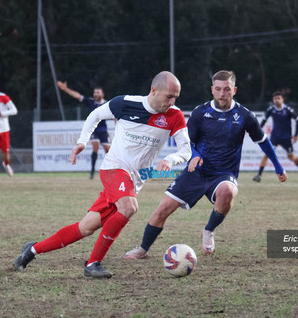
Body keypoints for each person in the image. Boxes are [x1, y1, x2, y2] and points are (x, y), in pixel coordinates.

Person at [13, 71, 191, 278]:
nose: (172, 101)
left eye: (176, 97)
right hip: (114, 169)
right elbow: (95, 115)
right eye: (169, 96)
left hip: (134, 180)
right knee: (129, 207)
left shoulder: (174, 115)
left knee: (86, 227)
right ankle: (93, 264)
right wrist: (82, 141)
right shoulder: (125, 103)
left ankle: (32, 250)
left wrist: (170, 160)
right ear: (154, 90)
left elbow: (185, 150)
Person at [124, 70, 287, 260]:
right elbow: (188, 144)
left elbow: (263, 141)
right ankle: (143, 249)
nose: (222, 94)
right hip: (196, 172)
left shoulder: (244, 115)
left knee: (228, 192)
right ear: (212, 89)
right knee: (163, 209)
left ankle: (209, 230)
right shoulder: (200, 113)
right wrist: (195, 155)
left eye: (226, 89)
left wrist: (278, 167)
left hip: (224, 173)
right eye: (218, 89)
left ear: (234, 90)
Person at [57, 81, 111, 179]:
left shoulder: (107, 104)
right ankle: (92, 171)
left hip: (103, 129)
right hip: (93, 129)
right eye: (94, 92)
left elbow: (115, 116)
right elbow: (78, 96)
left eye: (97, 92)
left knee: (108, 150)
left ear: (102, 94)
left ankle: (112, 170)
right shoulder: (91, 101)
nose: (95, 94)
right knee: (96, 146)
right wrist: (65, 89)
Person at [253, 91, 298, 182]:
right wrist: (257, 130)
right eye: (275, 99)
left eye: (279, 98)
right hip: (275, 137)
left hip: (286, 138)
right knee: (267, 155)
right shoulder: (271, 110)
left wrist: (296, 135)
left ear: (282, 99)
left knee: (291, 157)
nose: (277, 100)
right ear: (273, 100)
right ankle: (259, 175)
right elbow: (263, 121)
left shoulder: (287, 110)